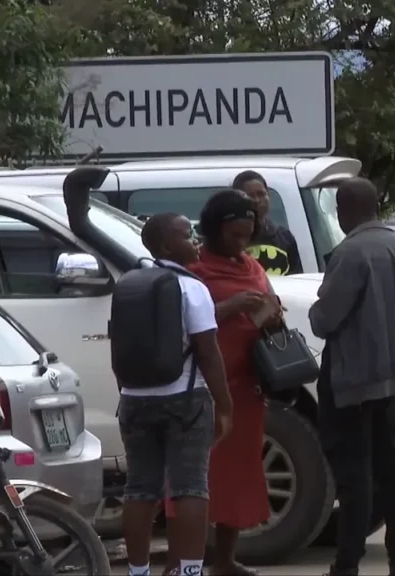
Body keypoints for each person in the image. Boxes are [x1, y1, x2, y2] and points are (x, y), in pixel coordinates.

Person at [310, 177, 395, 576]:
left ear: (344, 210)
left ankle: (347, 564)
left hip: (353, 379)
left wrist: (312, 311)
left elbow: (325, 320)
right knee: (391, 471)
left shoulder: (350, 252)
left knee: (354, 475)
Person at [119, 214, 232, 576]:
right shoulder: (192, 288)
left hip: (134, 400)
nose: (196, 239)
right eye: (187, 234)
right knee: (190, 488)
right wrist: (225, 407)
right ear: (167, 245)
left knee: (139, 489)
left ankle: (138, 572)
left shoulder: (129, 283)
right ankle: (190, 572)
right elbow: (208, 353)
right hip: (185, 399)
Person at [187, 189, 280, 576]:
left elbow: (269, 302)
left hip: (246, 387)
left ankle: (225, 560)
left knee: (239, 475)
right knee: (197, 477)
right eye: (235, 235)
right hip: (203, 387)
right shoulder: (194, 269)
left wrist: (271, 312)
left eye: (247, 235)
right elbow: (185, 319)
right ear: (214, 229)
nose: (242, 243)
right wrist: (232, 306)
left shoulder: (251, 266)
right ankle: (189, 560)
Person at [232, 170, 303, 276]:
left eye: (261, 194)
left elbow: (296, 277)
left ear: (268, 195)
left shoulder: (284, 237)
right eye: (250, 196)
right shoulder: (230, 239)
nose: (257, 200)